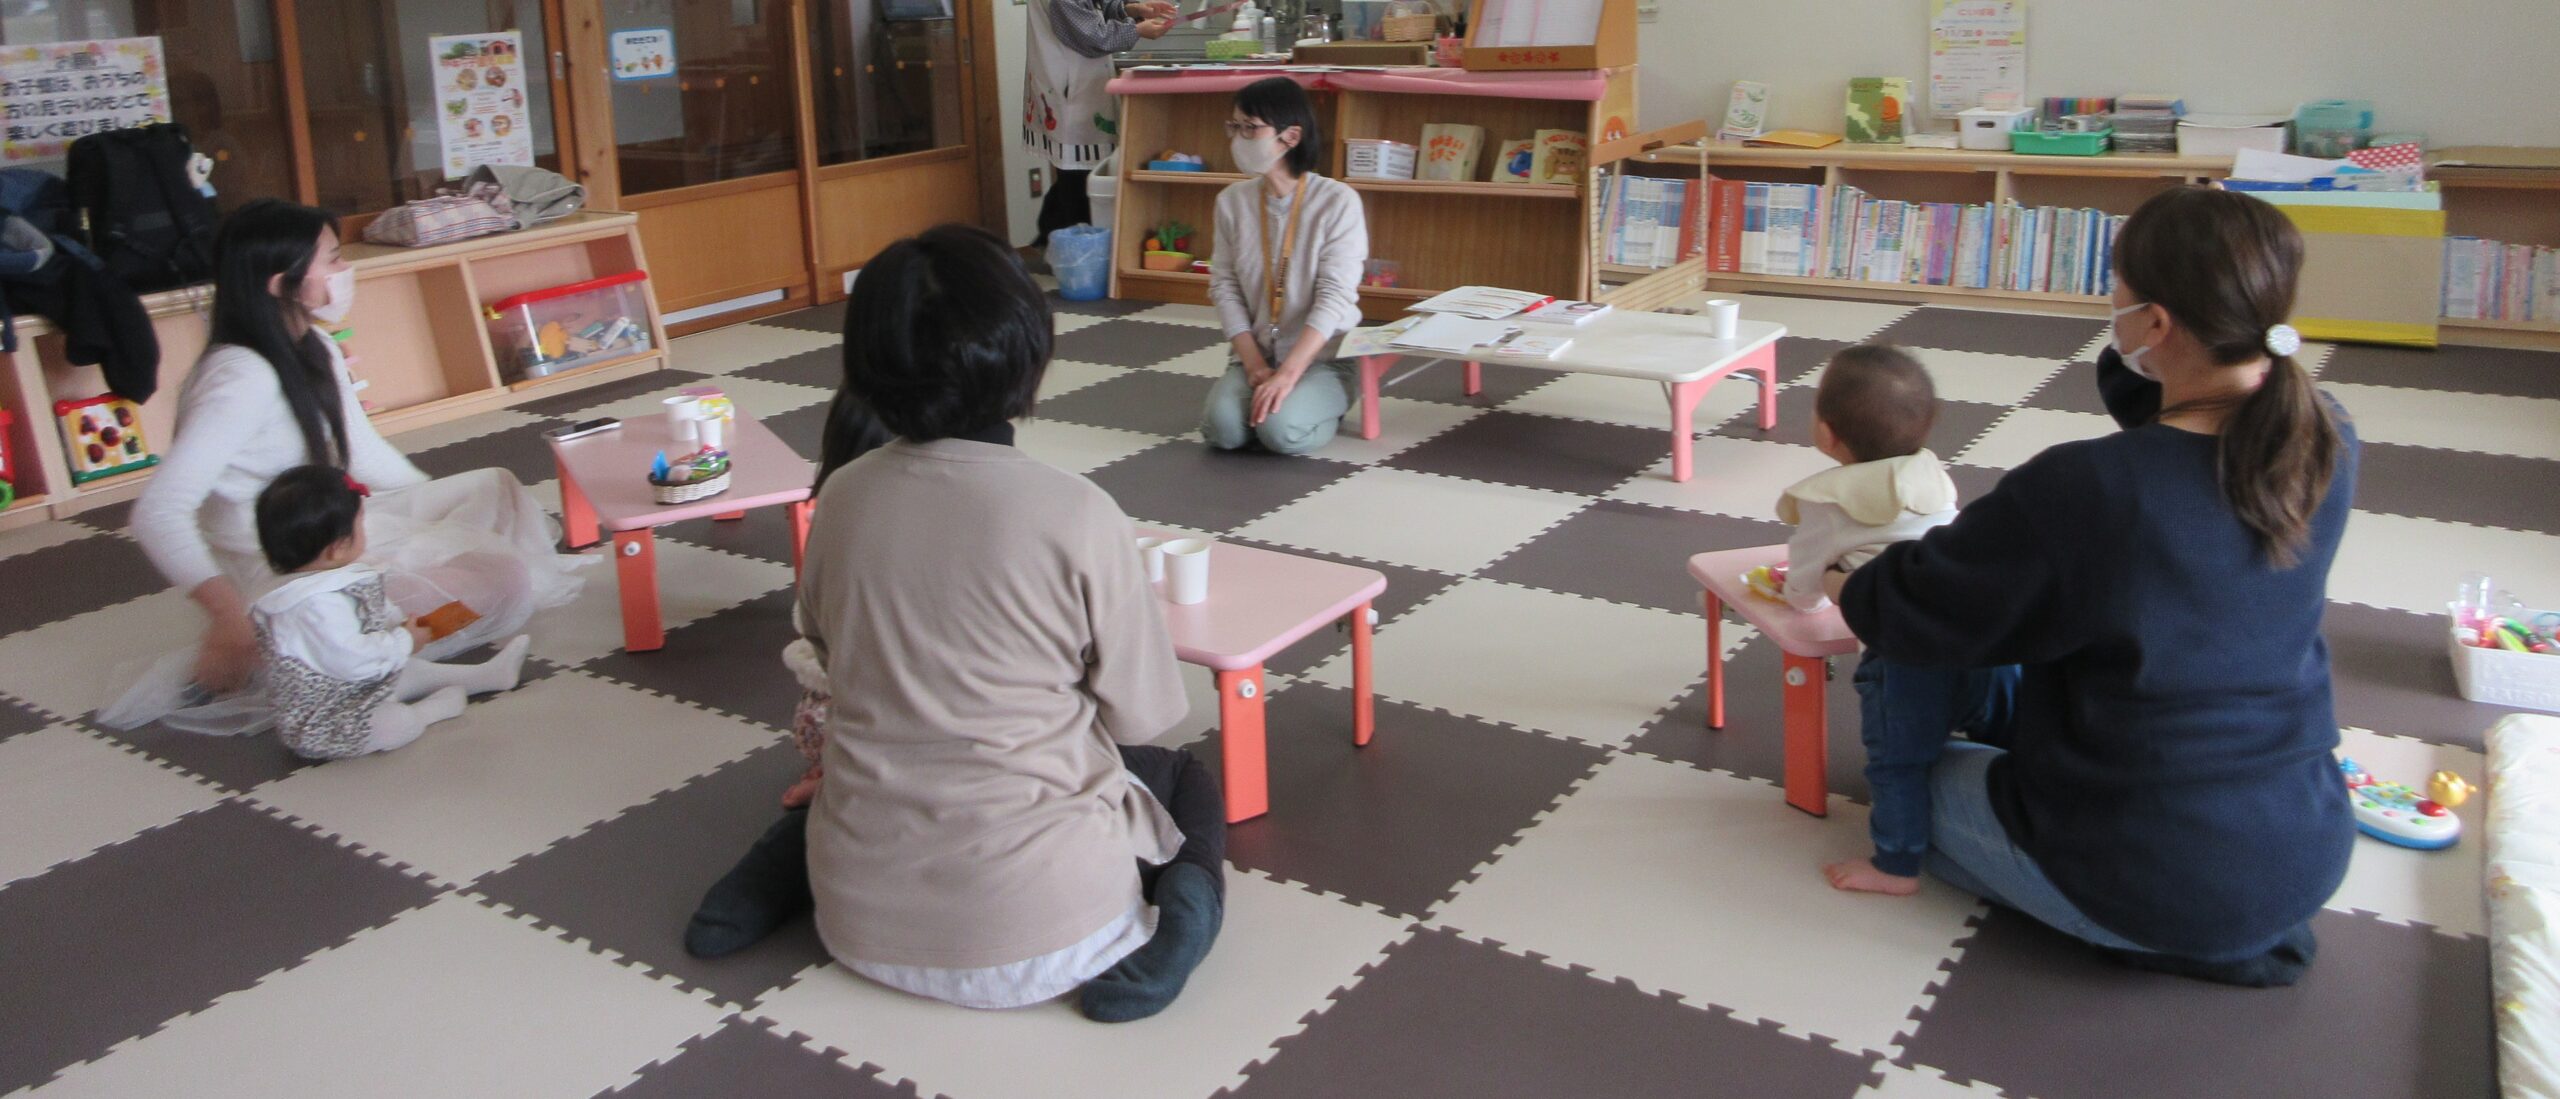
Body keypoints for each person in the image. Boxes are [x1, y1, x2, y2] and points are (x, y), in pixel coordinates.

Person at [684, 225, 1229, 1025]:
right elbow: (1139, 712)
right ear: (1028, 355)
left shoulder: (840, 498)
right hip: (1053, 930)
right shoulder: (1077, 512)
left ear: (867, 363)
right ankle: (1187, 916)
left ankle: (774, 874)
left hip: (859, 922)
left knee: (852, 766)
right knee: (1182, 775)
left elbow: (826, 651)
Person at [1827, 186, 2357, 987]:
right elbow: (2169, 419)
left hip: (2143, 876)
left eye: (2118, 292)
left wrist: (1848, 581)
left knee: (1902, 774)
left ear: (2156, 325)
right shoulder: (2324, 435)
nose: (2110, 309)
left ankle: (2143, 928)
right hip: (2301, 846)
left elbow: (1916, 605)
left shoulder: (2092, 488)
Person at [104, 198, 580, 735]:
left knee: (496, 488)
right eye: (331, 260)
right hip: (293, 567)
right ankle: (301, 647)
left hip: (343, 524)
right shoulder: (239, 377)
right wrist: (228, 618)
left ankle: (374, 632)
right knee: (508, 579)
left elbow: (362, 454)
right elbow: (158, 512)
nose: (344, 270)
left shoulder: (316, 345)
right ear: (280, 282)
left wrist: (434, 518)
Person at [1768, 345, 1966, 896]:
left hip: (1900, 646)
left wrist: (1802, 600)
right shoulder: (1933, 475)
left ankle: (1895, 866)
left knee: (1895, 757)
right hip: (1973, 627)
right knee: (1969, 713)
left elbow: (1805, 575)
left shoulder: (1827, 502)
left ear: (1829, 435)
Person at [249, 465, 531, 760]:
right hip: (329, 721)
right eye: (360, 522)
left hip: (355, 687)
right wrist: (403, 641)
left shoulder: (328, 577)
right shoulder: (311, 606)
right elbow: (354, 659)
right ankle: (431, 711)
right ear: (338, 547)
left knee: (408, 670)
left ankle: (486, 676)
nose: (364, 528)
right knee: (392, 723)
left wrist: (399, 623)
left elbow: (369, 613)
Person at [1202, 77, 1369, 455]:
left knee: (1281, 433)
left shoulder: (1338, 202)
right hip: (1258, 356)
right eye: (1235, 126)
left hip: (1324, 360)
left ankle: (1321, 401)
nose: (1239, 138)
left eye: (1251, 127)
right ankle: (1280, 401)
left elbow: (1335, 297)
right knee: (1222, 431)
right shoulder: (1231, 201)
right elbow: (1224, 287)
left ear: (1291, 136)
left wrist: (1289, 374)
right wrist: (1254, 366)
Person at [1025, 0, 1176, 246]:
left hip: (1074, 86)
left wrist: (1133, 10)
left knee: (1077, 173)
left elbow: (1092, 10)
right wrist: (1137, 30)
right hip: (1070, 88)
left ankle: (1053, 242)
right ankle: (1074, 252)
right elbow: (1093, 36)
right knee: (1078, 176)